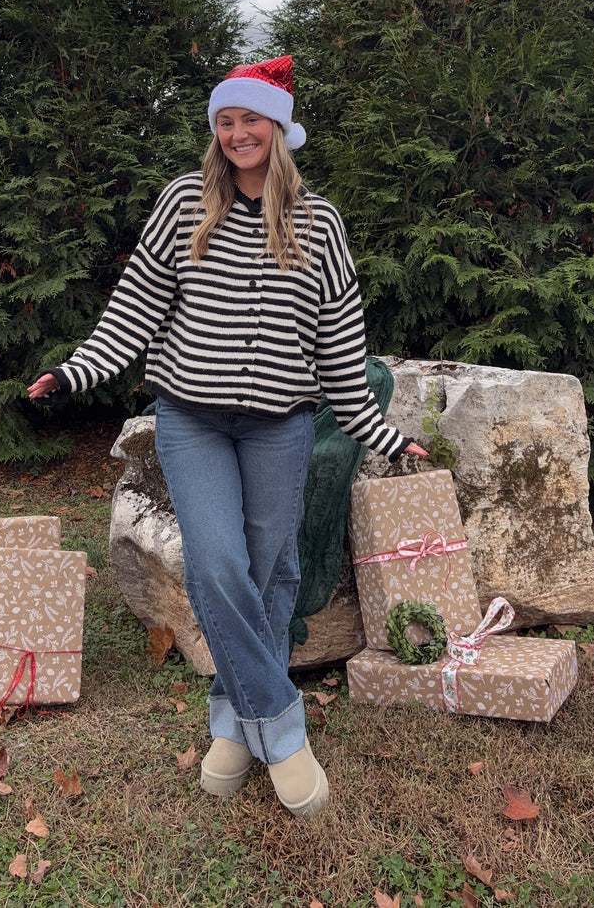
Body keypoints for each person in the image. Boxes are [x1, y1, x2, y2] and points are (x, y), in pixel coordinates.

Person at [28, 55, 427, 819]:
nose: (238, 132)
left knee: (271, 573)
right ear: (216, 130)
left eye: (251, 119)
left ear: (278, 128)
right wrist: (75, 370)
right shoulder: (185, 201)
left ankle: (231, 725)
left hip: (281, 425)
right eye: (226, 120)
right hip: (193, 419)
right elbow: (135, 307)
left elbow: (341, 346)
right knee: (216, 565)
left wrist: (378, 430)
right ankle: (281, 727)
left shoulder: (320, 223)